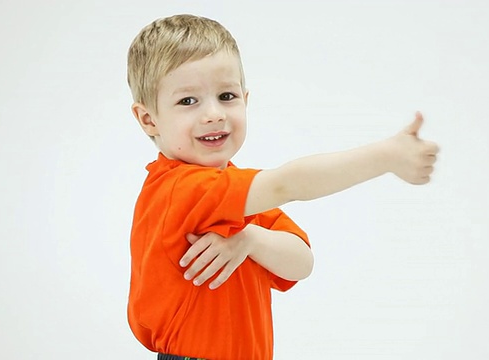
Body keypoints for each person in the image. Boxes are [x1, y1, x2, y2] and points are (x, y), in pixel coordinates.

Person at [126, 14, 439, 360]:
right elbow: (287, 184)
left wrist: (250, 240)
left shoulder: (235, 197)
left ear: (246, 99)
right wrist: (384, 157)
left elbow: (301, 263)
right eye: (188, 101)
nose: (213, 114)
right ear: (148, 119)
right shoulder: (181, 189)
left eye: (226, 95)